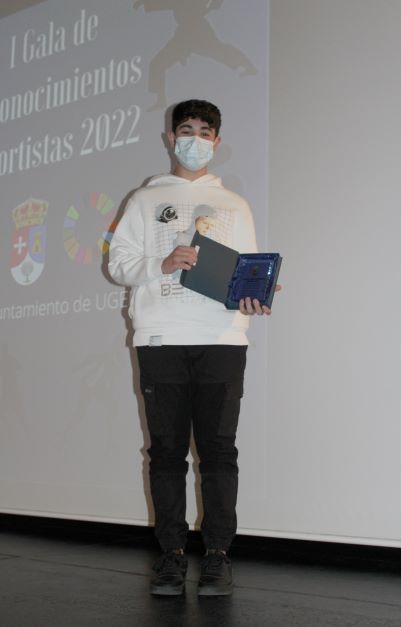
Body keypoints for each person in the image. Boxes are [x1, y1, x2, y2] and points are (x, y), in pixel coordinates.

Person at [108, 99, 279, 597]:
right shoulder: (145, 199)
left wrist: (255, 295)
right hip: (160, 337)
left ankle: (218, 555)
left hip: (221, 340)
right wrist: (161, 264)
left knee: (219, 450)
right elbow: (117, 263)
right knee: (166, 451)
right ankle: (171, 555)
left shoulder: (235, 205)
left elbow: (246, 269)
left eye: (205, 132)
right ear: (170, 138)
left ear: (217, 142)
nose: (195, 140)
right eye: (187, 130)